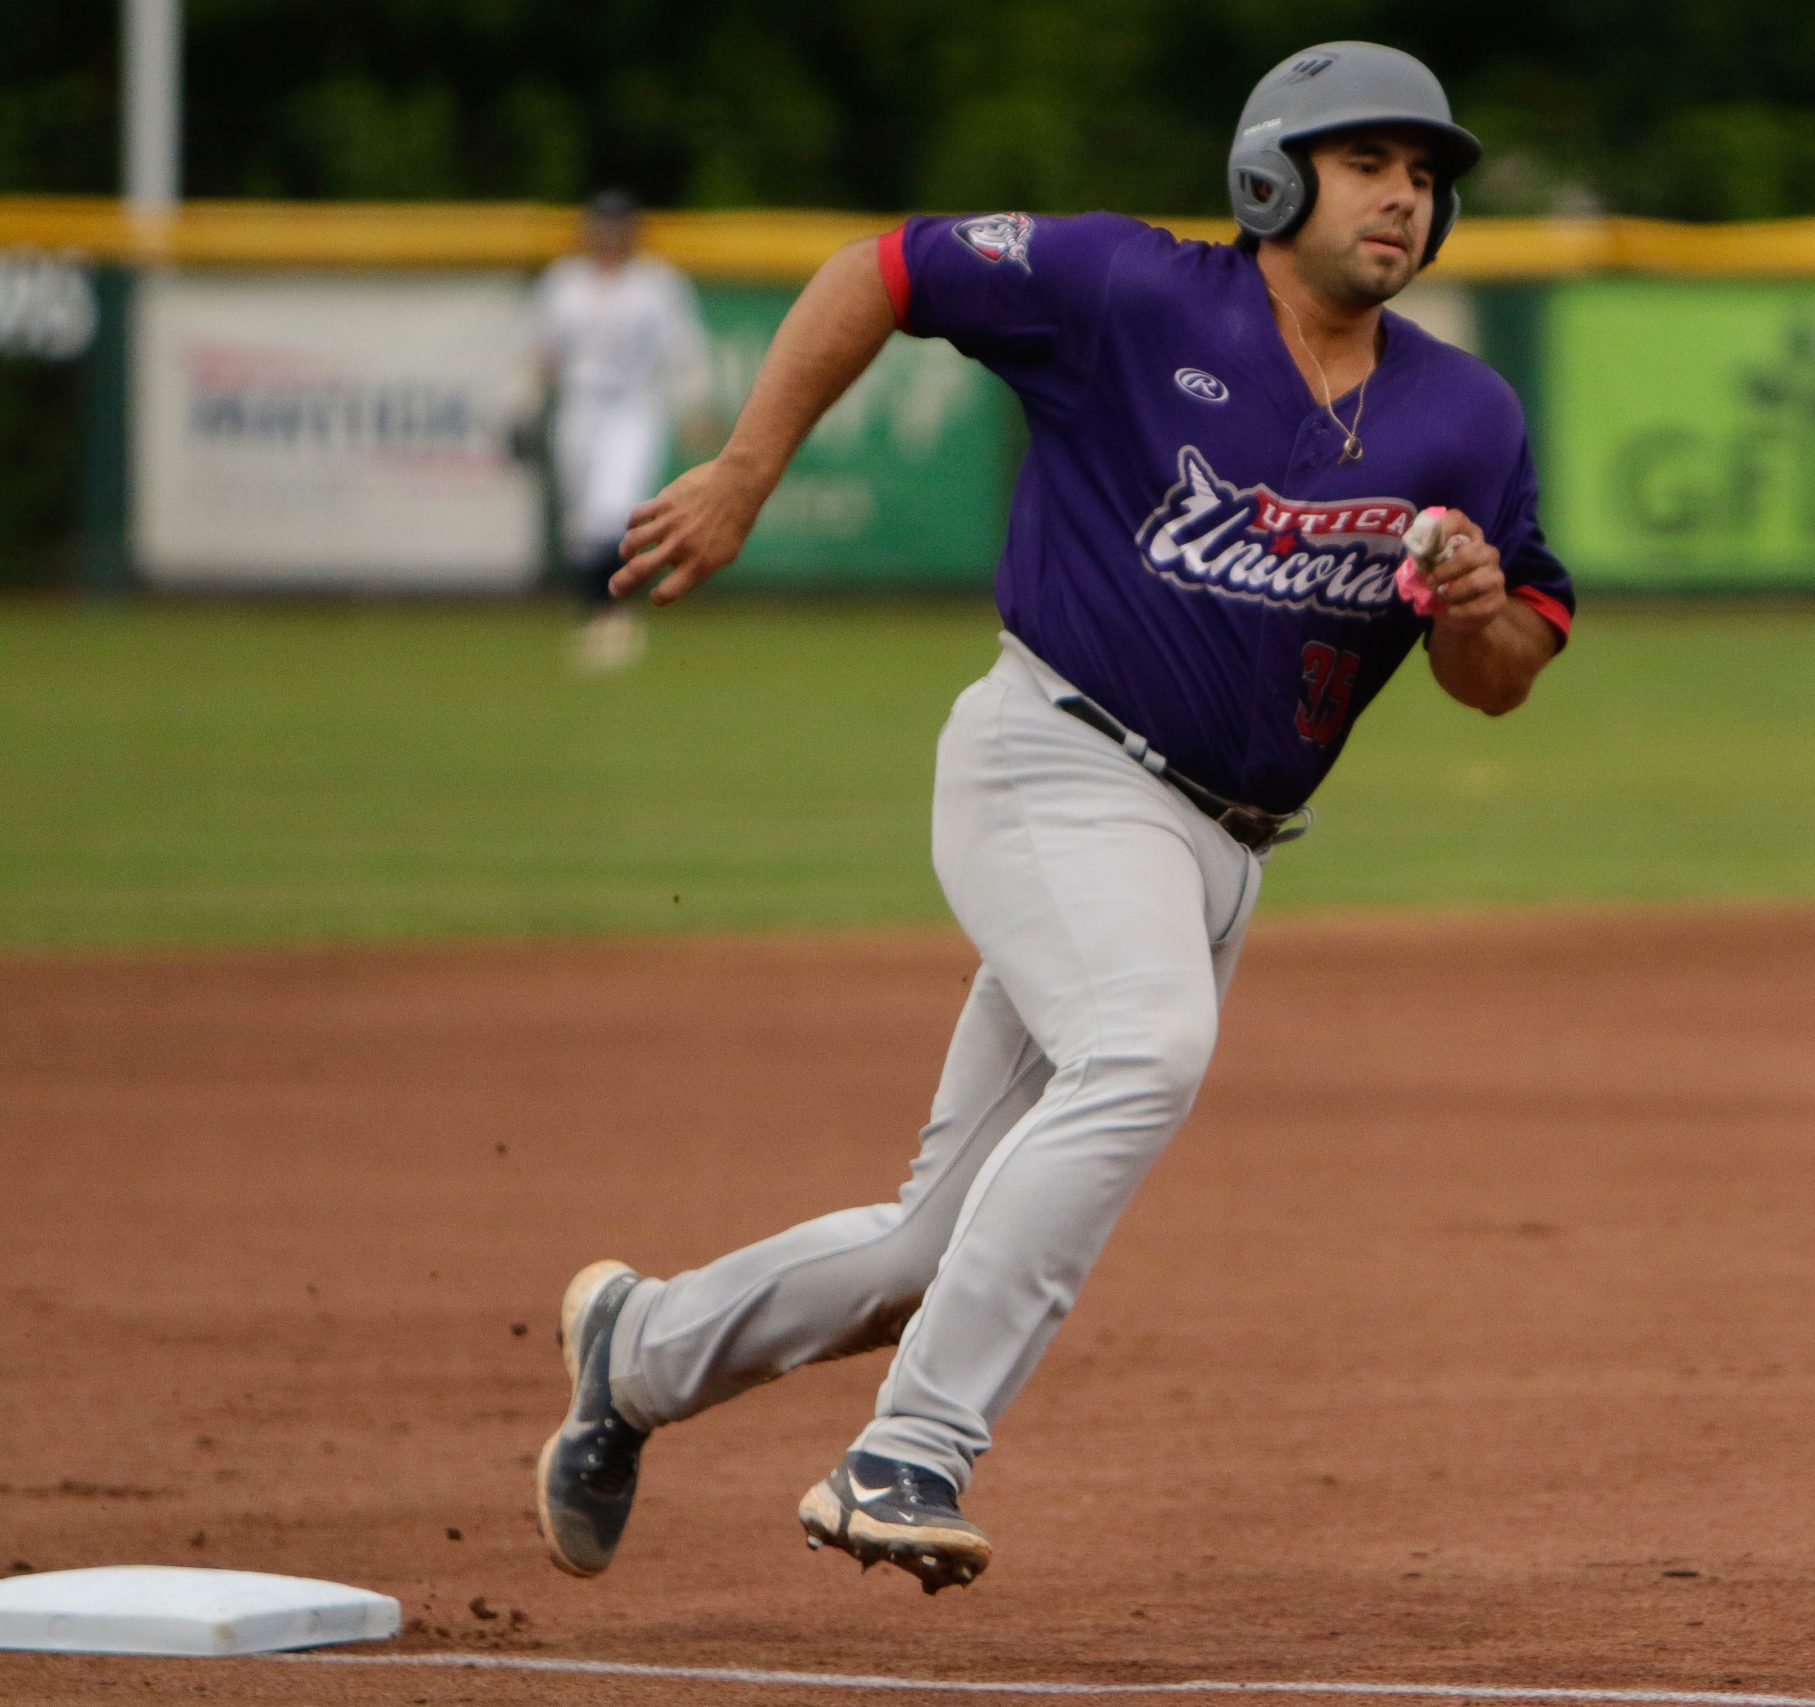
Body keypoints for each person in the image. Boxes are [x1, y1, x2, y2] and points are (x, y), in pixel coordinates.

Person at [533, 42, 1575, 1593]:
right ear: (1270, 176)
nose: (1404, 198)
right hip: (1056, 762)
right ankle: (915, 1444)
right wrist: (749, 472)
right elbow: (881, 267)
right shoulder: (1130, 294)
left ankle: (638, 1348)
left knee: (913, 1254)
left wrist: (1477, 609)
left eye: (1426, 176)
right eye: (1368, 163)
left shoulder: (1464, 414)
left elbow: (1501, 675)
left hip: (1223, 853)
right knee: (1145, 1046)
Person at [527, 190, 712, 671]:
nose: (609, 235)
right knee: (580, 526)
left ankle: (612, 619)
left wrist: (694, 407)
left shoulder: (656, 284)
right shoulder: (564, 283)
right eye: (601, 225)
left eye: (618, 225)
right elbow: (542, 356)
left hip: (634, 406)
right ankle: (598, 620)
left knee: (614, 511)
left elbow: (684, 351)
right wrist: (522, 404)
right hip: (580, 406)